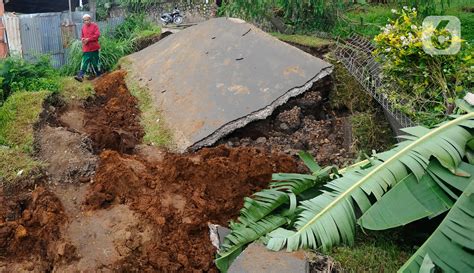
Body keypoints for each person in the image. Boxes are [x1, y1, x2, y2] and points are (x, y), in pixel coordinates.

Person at [74, 14, 101, 82]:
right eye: (85, 20)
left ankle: (99, 75)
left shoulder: (94, 26)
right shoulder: (83, 27)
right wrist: (83, 39)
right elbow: (82, 36)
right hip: (86, 48)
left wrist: (88, 39)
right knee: (84, 61)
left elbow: (97, 35)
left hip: (94, 48)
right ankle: (80, 76)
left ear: (90, 19)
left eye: (87, 20)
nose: (86, 21)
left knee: (95, 62)